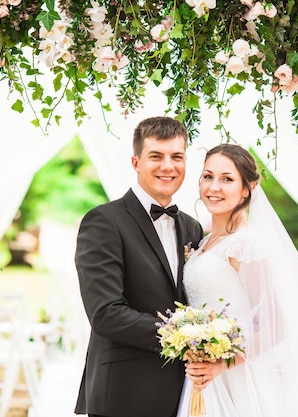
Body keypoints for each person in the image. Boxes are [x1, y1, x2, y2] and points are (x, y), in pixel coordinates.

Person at [177, 144, 298, 417]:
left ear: (247, 189)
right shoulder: (206, 242)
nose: (214, 187)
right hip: (203, 374)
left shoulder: (245, 244)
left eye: (227, 179)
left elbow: (274, 325)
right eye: (208, 176)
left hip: (240, 377)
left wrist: (223, 364)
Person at [74, 116, 204, 417]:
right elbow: (105, 313)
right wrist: (185, 337)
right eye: (156, 156)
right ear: (136, 162)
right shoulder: (104, 221)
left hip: (184, 395)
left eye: (177, 157)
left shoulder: (192, 228)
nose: (167, 166)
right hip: (123, 394)